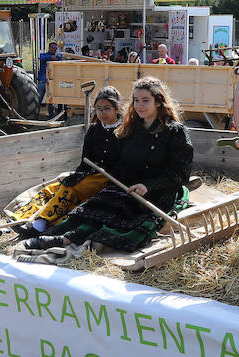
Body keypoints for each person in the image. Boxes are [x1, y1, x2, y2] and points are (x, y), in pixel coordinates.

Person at [22, 77, 193, 254]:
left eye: (145, 100)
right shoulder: (132, 129)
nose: (139, 105)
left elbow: (180, 174)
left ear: (159, 102)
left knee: (122, 215)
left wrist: (147, 186)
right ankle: (61, 235)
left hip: (159, 191)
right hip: (129, 185)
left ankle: (68, 240)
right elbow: (124, 163)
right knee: (97, 206)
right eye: (136, 101)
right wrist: (113, 184)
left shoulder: (175, 132)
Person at [10, 86, 125, 236]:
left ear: (117, 108)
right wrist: (78, 175)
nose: (102, 113)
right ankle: (18, 220)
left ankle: (40, 223)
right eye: (98, 108)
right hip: (89, 175)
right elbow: (86, 160)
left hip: (109, 179)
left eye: (107, 108)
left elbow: (124, 164)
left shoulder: (124, 131)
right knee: (51, 189)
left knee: (70, 189)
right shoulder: (94, 130)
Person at [36, 42, 60, 117]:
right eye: (53, 47)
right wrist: (51, 57)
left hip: (51, 80)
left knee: (50, 99)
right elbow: (41, 58)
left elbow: (60, 58)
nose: (54, 49)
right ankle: (35, 114)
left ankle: (51, 116)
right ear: (49, 48)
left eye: (56, 48)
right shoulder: (43, 55)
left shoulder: (57, 57)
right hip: (43, 80)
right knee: (38, 98)